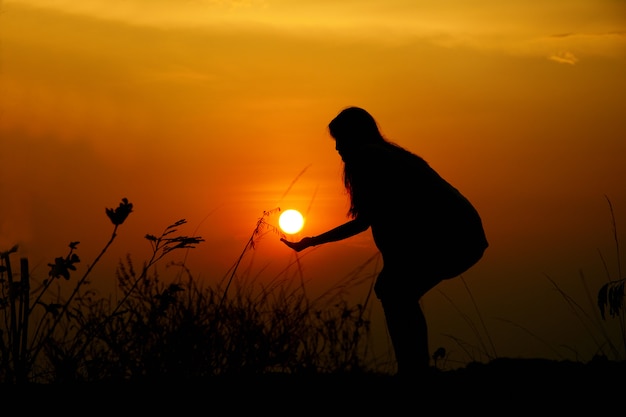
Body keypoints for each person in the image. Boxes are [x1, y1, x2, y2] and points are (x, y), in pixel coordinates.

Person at [280, 106, 488, 377]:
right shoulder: (387, 155)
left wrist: (312, 242)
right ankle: (414, 368)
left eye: (341, 139)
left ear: (355, 136)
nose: (338, 148)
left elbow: (378, 219)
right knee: (396, 291)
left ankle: (413, 370)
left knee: (395, 291)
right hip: (464, 234)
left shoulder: (369, 158)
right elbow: (388, 217)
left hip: (453, 236)